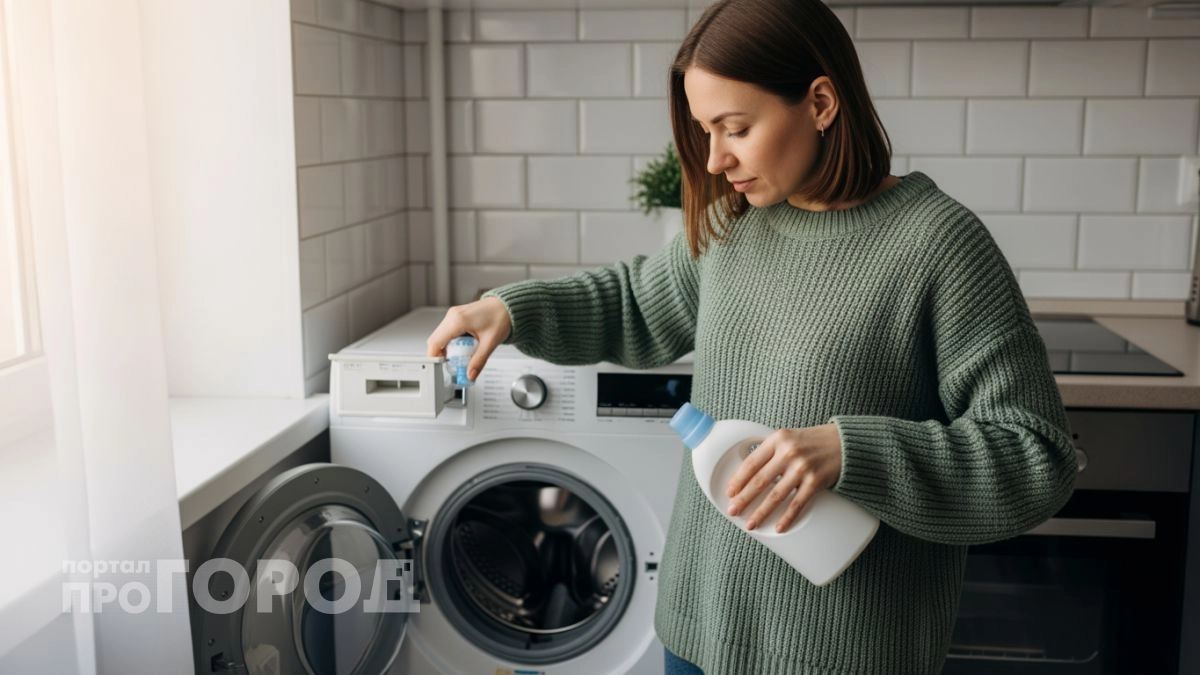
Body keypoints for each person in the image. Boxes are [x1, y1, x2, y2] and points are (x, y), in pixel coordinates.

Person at [426, 0, 1077, 672]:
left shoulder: (939, 244)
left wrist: (850, 452)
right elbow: (632, 302)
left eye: (734, 128)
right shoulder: (735, 226)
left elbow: (1035, 457)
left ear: (821, 102)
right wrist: (509, 309)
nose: (714, 160)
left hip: (845, 656)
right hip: (697, 633)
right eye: (706, 131)